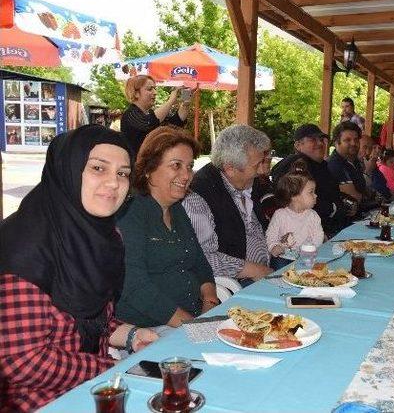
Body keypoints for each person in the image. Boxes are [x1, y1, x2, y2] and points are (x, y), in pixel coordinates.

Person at [0, 126, 157, 412]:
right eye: (98, 168)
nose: (114, 183)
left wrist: (133, 335)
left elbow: (90, 318)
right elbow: (21, 362)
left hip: (93, 389)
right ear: (67, 169)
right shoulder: (22, 247)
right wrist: (111, 366)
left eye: (122, 173)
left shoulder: (104, 236)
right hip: (35, 402)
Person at [116, 127, 219, 329]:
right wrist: (191, 327)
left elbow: (200, 264)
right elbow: (135, 286)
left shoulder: (177, 209)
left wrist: (210, 304)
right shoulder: (130, 214)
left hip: (194, 319)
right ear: (148, 169)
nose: (186, 175)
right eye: (176, 165)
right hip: (150, 330)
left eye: (189, 167)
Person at [183, 125, 272, 285]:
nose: (261, 171)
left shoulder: (249, 182)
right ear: (230, 168)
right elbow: (203, 256)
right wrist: (254, 269)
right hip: (234, 284)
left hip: (268, 267)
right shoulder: (200, 194)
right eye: (256, 165)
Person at [272, 124, 351, 237]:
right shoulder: (296, 164)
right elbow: (293, 199)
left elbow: (331, 192)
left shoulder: (322, 166)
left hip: (329, 228)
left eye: (322, 140)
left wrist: (347, 203)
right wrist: (333, 208)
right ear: (298, 145)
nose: (320, 143)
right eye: (313, 139)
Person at [266, 160, 324, 270]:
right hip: (284, 257)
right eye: (311, 192)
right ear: (294, 196)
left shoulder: (313, 216)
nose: (315, 195)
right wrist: (274, 246)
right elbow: (271, 234)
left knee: (314, 268)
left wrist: (311, 250)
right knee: (279, 267)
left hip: (307, 257)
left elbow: (318, 236)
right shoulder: (280, 215)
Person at [121, 75, 190, 158]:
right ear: (136, 93)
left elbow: (175, 123)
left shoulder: (149, 113)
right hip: (136, 168)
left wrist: (185, 103)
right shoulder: (130, 114)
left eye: (154, 88)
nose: (155, 92)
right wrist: (170, 101)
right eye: (150, 89)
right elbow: (149, 122)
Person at [360, 135, 394, 201]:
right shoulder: (354, 167)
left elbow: (384, 187)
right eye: (365, 147)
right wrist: (368, 172)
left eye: (370, 148)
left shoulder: (374, 166)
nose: (368, 152)